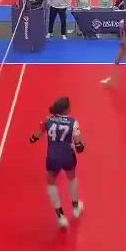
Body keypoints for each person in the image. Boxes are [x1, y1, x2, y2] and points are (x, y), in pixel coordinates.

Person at [29, 96, 85, 229]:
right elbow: (79, 145)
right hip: (68, 156)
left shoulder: (48, 120)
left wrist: (32, 139)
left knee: (51, 183)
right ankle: (76, 208)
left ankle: (60, 216)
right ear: (66, 109)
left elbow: (36, 135)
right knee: (72, 178)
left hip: (53, 157)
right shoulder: (73, 122)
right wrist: (80, 146)